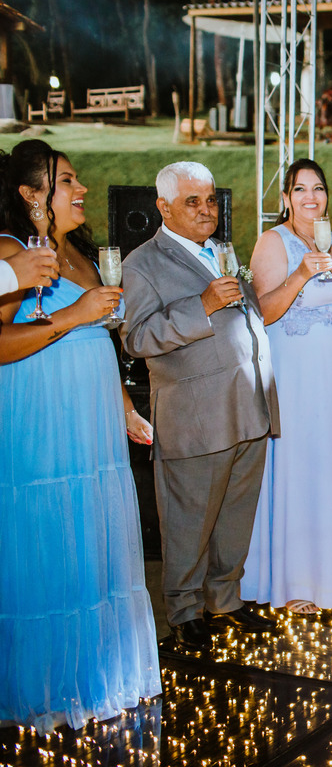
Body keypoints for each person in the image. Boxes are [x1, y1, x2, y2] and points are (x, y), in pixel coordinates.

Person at [0, 140, 160, 731]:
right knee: (51, 533)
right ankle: (46, 685)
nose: (82, 189)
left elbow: (98, 339)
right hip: (44, 420)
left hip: (90, 422)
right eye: (67, 180)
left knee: (91, 536)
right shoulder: (14, 254)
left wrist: (124, 408)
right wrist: (73, 314)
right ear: (31, 194)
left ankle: (91, 673)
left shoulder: (80, 255)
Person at [122, 161, 280, 653]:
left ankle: (225, 600)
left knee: (235, 514)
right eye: (193, 201)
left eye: (210, 199)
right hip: (195, 414)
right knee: (189, 518)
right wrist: (203, 305)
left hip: (247, 402)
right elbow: (137, 338)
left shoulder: (221, 250)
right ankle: (185, 610)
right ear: (164, 208)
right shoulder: (142, 263)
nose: (206, 209)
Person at [240, 159, 332, 614]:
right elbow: (263, 311)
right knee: (301, 467)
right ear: (286, 198)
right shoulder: (273, 243)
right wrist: (300, 275)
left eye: (318, 188)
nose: (311, 197)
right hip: (296, 376)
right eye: (300, 190)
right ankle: (293, 581)